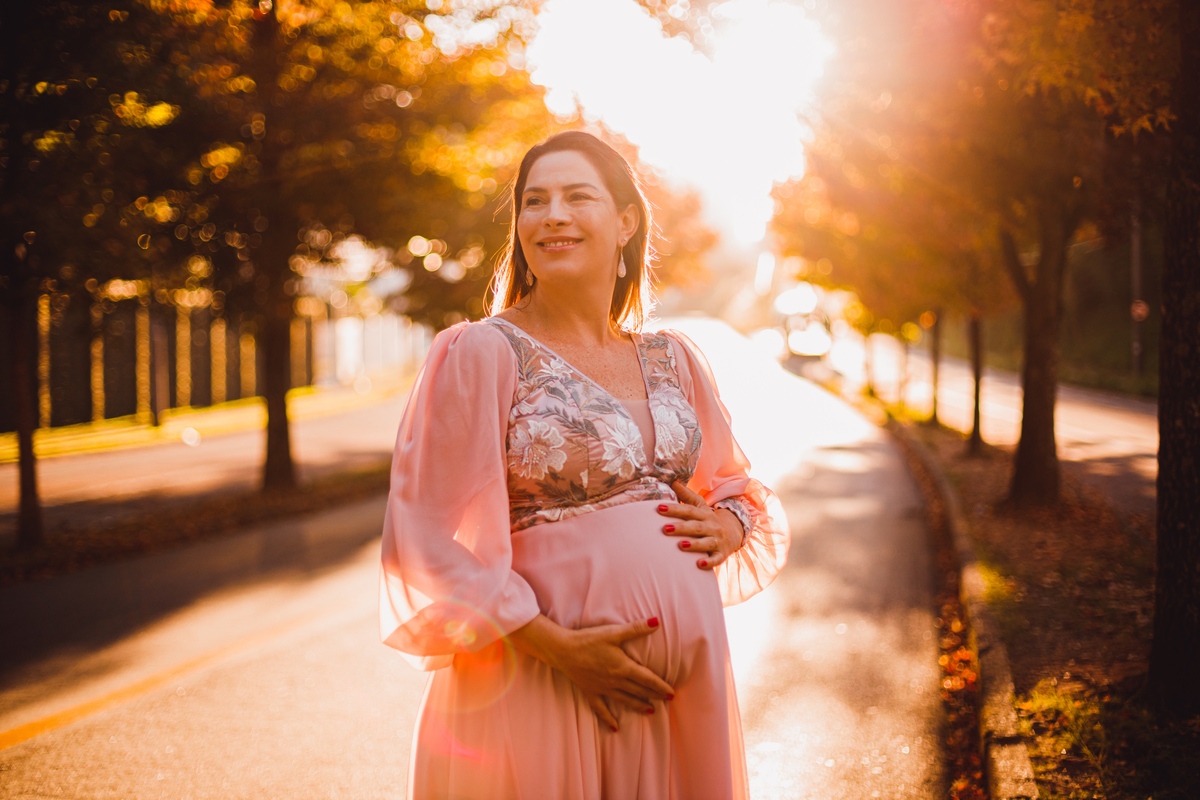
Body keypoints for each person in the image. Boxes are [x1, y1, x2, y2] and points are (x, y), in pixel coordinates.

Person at [379, 131, 789, 800]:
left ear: (626, 221)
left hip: (680, 702)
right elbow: (418, 536)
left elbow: (737, 484)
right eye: (534, 201)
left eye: (577, 196)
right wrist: (552, 644)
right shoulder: (483, 352)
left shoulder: (673, 357)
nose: (552, 215)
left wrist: (732, 526)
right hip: (539, 682)